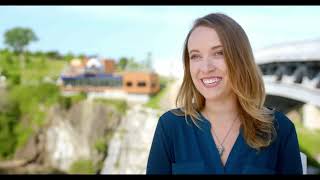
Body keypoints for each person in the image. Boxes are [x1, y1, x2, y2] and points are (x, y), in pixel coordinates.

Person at [146, 13, 303, 174]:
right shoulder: (171, 127)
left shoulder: (279, 129)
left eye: (218, 53)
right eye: (196, 56)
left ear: (240, 59)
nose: (206, 68)